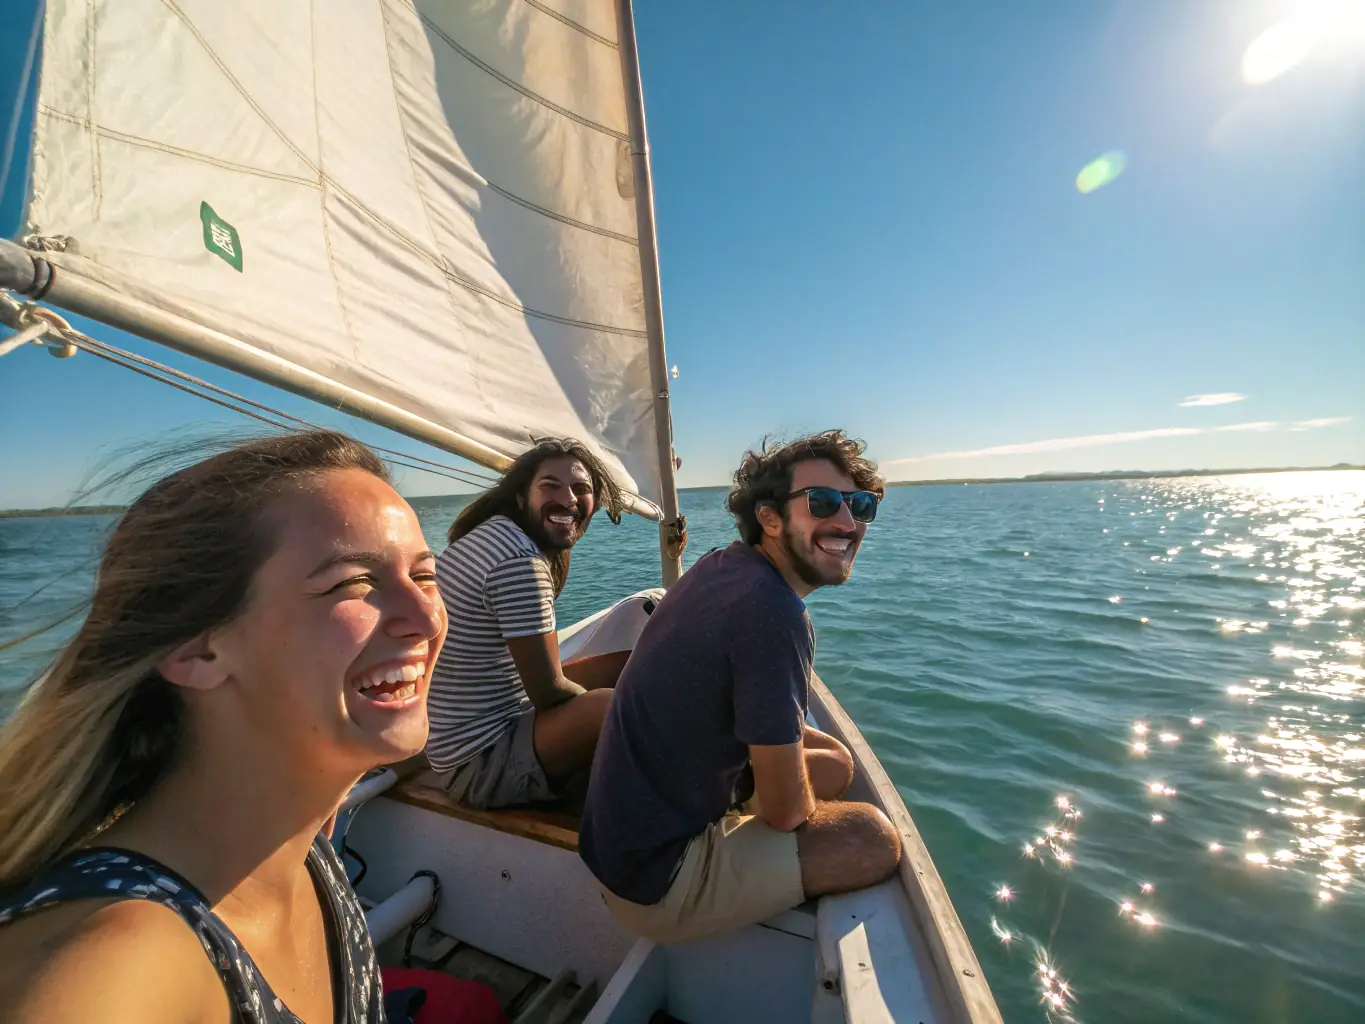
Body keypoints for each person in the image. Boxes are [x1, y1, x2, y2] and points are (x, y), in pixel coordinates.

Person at [0, 431, 448, 1022]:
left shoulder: (295, 842)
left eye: (424, 575)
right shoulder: (116, 960)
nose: (422, 617)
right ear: (196, 649)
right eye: (351, 583)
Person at [578, 430, 903, 944]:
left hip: (613, 848)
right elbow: (788, 810)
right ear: (769, 518)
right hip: (655, 882)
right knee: (871, 838)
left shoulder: (722, 565)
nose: (847, 522)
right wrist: (795, 807)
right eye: (822, 503)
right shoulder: (774, 611)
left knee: (836, 762)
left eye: (861, 505)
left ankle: (744, 831)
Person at [425, 438, 631, 810]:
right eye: (550, 485)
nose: (568, 499)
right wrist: (626, 720)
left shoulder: (494, 533)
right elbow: (549, 692)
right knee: (612, 709)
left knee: (632, 662)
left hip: (465, 732)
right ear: (521, 497)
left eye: (581, 489)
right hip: (477, 760)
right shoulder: (519, 562)